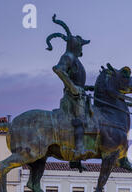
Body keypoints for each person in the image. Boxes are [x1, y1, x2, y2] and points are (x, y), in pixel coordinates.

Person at [46, 14, 91, 172]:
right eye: (80, 46)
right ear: (75, 46)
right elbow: (58, 69)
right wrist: (72, 87)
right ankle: (77, 153)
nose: (81, 49)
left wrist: (88, 88)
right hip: (72, 99)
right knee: (82, 120)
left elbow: (79, 83)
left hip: (79, 96)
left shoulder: (75, 60)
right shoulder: (68, 57)